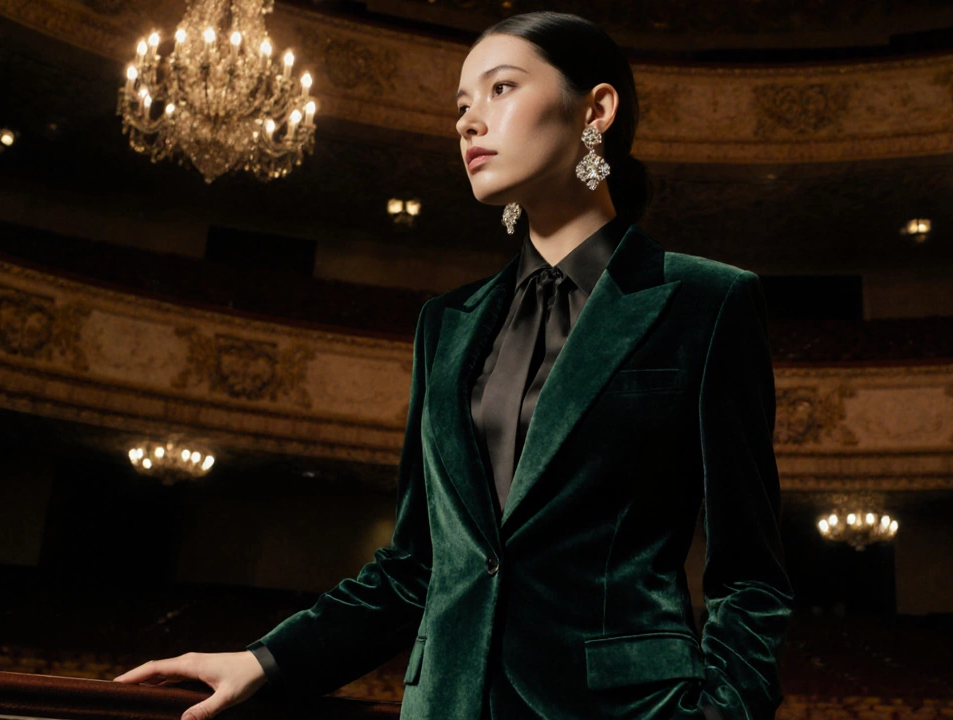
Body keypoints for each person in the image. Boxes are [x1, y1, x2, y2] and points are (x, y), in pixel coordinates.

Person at [114, 11, 792, 720]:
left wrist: (723, 714)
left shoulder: (707, 302)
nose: (468, 123)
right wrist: (269, 659)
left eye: (500, 89)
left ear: (596, 109)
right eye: (461, 107)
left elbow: (751, 575)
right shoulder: (447, 324)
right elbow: (416, 566)